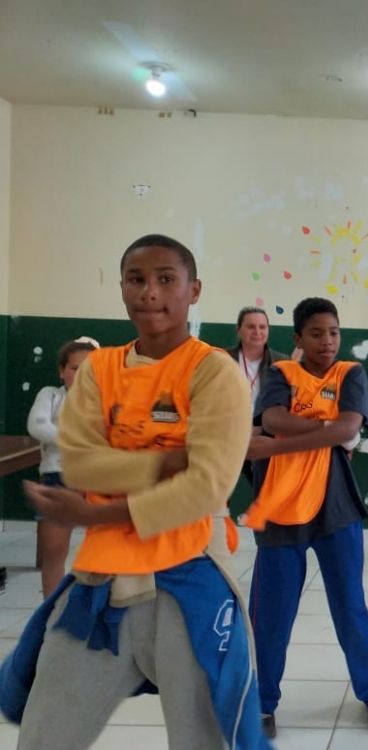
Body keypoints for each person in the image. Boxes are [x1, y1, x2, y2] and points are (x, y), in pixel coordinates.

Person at [3, 234, 267, 749]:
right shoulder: (99, 369)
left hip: (190, 573)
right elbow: (81, 463)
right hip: (101, 580)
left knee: (204, 735)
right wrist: (167, 460)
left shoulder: (213, 371)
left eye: (166, 279)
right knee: (44, 735)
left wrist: (99, 512)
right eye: (136, 279)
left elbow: (206, 486)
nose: (150, 292)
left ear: (193, 290)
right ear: (122, 288)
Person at [243, 297, 368, 739]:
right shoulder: (281, 374)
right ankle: (262, 703)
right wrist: (325, 432)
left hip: (336, 507)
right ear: (298, 338)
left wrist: (275, 444)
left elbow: (348, 428)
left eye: (333, 332)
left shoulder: (350, 373)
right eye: (316, 333)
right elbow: (274, 417)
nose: (327, 341)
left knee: (350, 605)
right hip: (281, 508)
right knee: (271, 614)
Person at [26, 337, 98, 597]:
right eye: (75, 368)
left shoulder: (108, 400)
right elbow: (37, 426)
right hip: (58, 478)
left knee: (106, 549)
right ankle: (52, 607)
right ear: (62, 371)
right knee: (54, 550)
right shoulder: (50, 395)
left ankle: (97, 606)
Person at [227, 306, 288, 485]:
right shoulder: (221, 359)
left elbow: (288, 406)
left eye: (262, 327)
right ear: (239, 330)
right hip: (228, 436)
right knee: (219, 491)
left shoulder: (282, 362)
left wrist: (260, 429)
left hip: (264, 436)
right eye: (251, 326)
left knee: (266, 489)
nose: (257, 332)